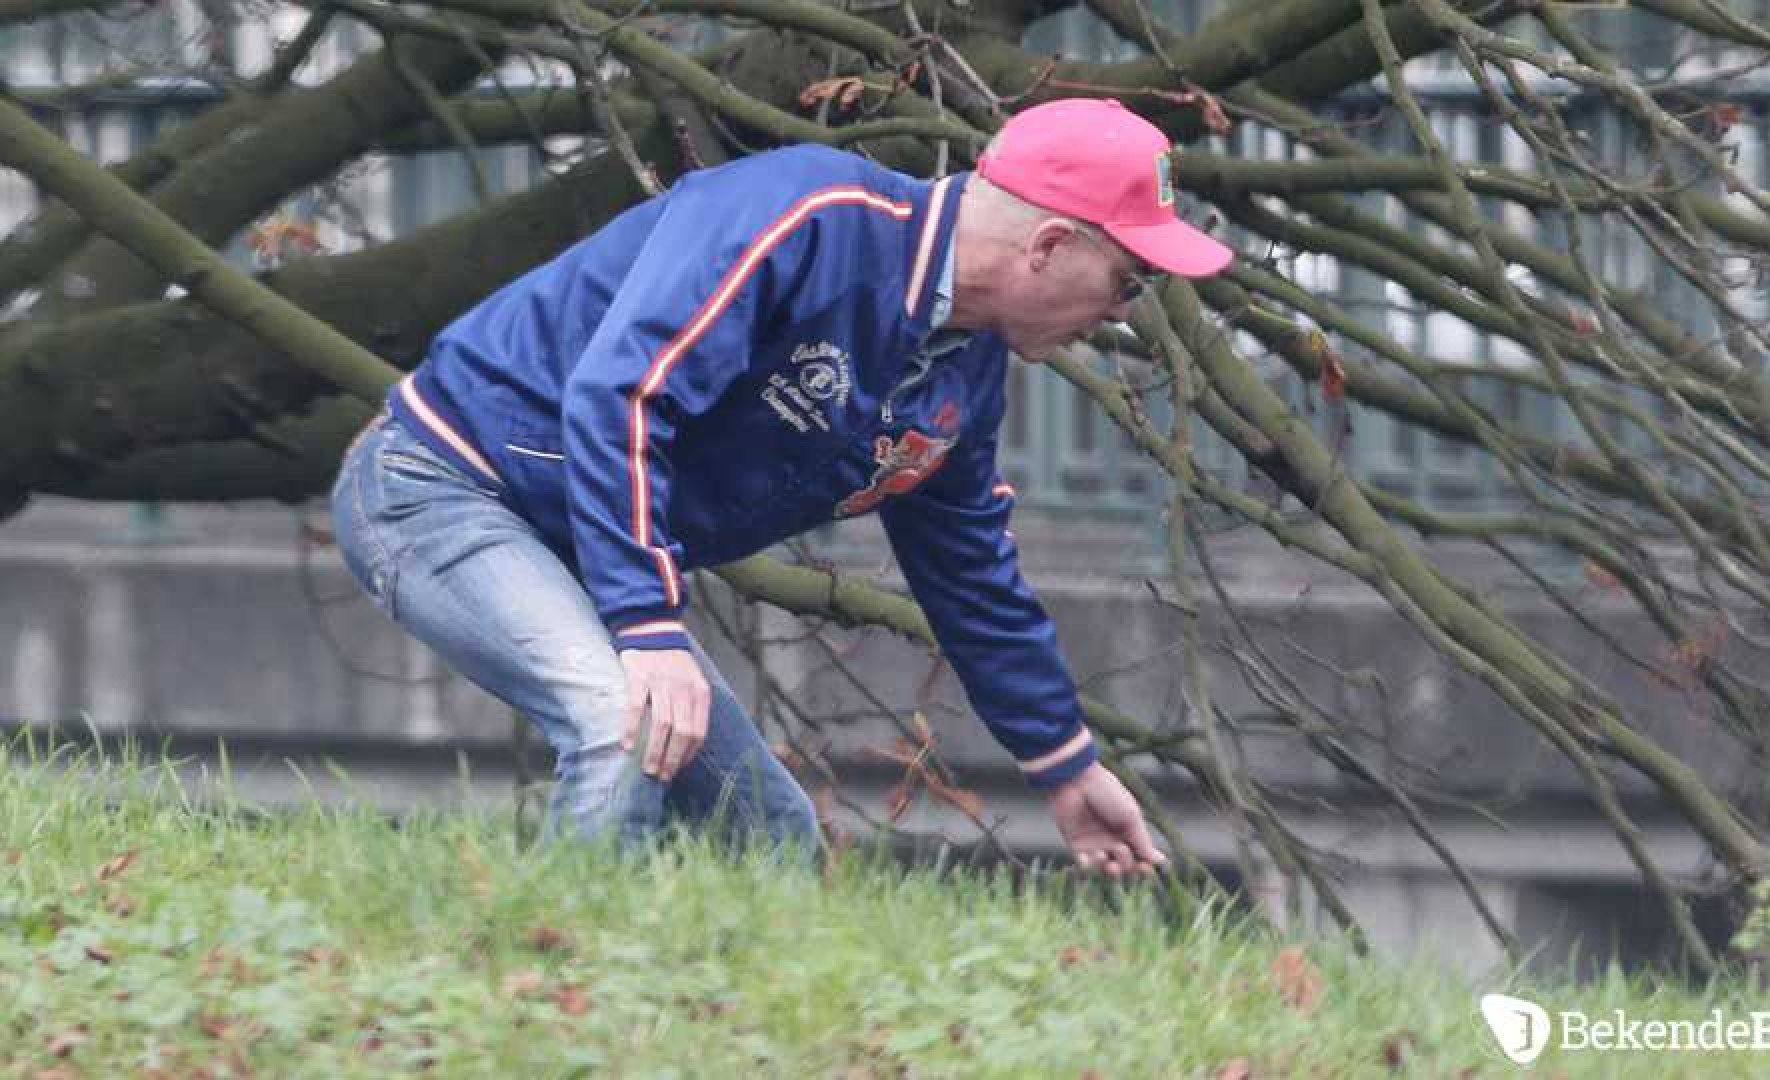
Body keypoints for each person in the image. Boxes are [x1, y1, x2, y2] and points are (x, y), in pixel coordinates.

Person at [330, 97, 1233, 877]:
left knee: (766, 831)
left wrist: (1065, 764)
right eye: (1130, 278)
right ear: (1049, 243)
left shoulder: (966, 370)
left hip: (588, 551)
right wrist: (647, 625)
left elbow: (971, 572)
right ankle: (555, 999)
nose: (1127, 310)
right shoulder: (807, 214)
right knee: (622, 727)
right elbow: (624, 393)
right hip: (442, 489)